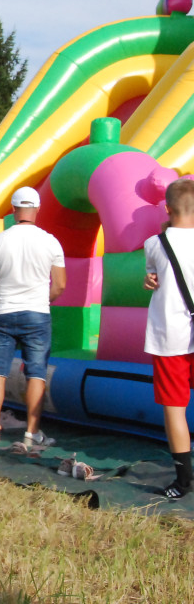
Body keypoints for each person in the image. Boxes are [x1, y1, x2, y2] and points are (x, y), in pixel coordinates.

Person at [0, 186, 66, 445]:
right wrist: (42, 299)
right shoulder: (50, 241)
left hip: (4, 312)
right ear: (37, 209)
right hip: (37, 313)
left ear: (14, 210)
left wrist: (2, 292)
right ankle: (32, 433)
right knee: (37, 373)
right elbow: (60, 285)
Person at [143, 177, 194, 499]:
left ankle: (183, 481)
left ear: (167, 208)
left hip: (170, 338)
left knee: (175, 409)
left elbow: (154, 277)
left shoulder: (154, 244)